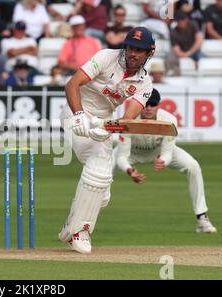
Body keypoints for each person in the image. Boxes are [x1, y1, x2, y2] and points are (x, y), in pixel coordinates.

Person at [58, 26, 155, 254]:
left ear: (149, 53)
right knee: (99, 168)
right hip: (76, 113)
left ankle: (68, 229)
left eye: (140, 50)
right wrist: (80, 115)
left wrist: (109, 128)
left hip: (104, 122)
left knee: (102, 195)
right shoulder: (105, 57)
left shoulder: (145, 84)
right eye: (131, 47)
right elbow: (72, 84)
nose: (134, 53)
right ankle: (79, 232)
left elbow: (128, 118)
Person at [114, 88, 217, 234]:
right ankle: (86, 223)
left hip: (158, 152)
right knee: (101, 173)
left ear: (159, 105)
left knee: (193, 166)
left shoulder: (169, 121)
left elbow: (168, 152)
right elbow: (122, 157)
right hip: (132, 153)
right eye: (146, 104)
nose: (149, 108)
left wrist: (163, 160)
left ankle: (202, 218)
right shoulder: (129, 119)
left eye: (153, 104)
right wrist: (129, 170)